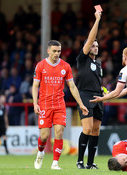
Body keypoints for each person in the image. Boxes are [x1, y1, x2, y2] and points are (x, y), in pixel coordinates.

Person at [33, 40, 88, 170]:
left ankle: (55, 163)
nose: (57, 53)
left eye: (58, 51)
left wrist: (80, 104)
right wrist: (35, 103)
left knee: (59, 132)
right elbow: (35, 86)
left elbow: (72, 87)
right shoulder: (40, 66)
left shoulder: (65, 66)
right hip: (45, 104)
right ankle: (40, 153)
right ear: (48, 51)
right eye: (54, 51)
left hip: (59, 105)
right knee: (45, 135)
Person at [75, 10, 103, 169]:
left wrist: (103, 90)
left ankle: (90, 163)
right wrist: (97, 20)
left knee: (96, 130)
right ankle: (79, 161)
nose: (95, 47)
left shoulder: (98, 64)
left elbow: (95, 80)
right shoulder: (82, 58)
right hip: (84, 95)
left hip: (98, 97)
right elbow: (91, 38)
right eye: (93, 45)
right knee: (87, 128)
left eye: (97, 45)